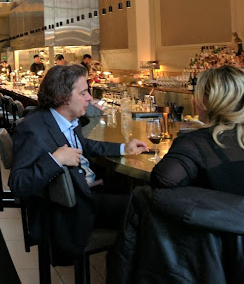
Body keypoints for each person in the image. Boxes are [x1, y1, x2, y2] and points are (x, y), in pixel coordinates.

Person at [8, 64, 148, 264]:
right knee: (144, 207)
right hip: (73, 211)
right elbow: (18, 184)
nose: (89, 98)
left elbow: (85, 145)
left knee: (141, 195)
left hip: (87, 190)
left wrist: (123, 148)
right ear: (62, 97)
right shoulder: (33, 128)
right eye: (83, 93)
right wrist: (56, 159)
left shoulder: (66, 120)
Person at [150, 66, 244, 201]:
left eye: (197, 95)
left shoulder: (197, 143)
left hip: (219, 215)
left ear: (210, 101)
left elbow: (163, 180)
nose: (194, 101)